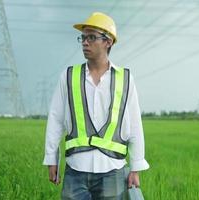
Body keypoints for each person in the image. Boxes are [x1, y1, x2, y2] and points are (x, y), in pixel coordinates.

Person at [43, 12, 149, 199]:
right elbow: (56, 119)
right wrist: (51, 159)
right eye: (83, 37)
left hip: (113, 170)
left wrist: (136, 167)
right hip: (75, 168)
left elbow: (135, 125)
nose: (85, 42)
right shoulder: (68, 76)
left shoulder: (125, 79)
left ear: (108, 42)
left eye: (91, 37)